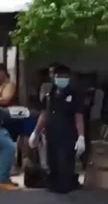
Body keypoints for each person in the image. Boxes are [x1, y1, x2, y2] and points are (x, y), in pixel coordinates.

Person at [29, 65, 86, 193]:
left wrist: (81, 136)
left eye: (64, 76)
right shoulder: (50, 94)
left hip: (68, 134)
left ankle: (67, 185)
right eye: (58, 76)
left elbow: (78, 116)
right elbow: (45, 114)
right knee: (52, 163)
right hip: (52, 133)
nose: (61, 79)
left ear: (68, 78)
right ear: (54, 77)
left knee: (64, 164)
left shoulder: (74, 94)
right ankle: (54, 186)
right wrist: (36, 132)